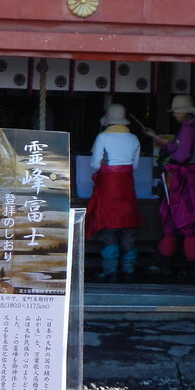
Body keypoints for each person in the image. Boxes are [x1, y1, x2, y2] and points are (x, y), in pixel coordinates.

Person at [147, 95, 195, 281]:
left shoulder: (187, 130)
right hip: (184, 180)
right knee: (175, 222)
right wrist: (164, 142)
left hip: (181, 182)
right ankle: (167, 264)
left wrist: (164, 143)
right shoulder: (191, 127)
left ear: (183, 112)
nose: (174, 115)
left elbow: (180, 157)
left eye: (176, 111)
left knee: (182, 223)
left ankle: (187, 267)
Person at [85, 103, 143, 281]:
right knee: (127, 227)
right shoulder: (134, 139)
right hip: (126, 187)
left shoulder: (103, 137)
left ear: (108, 121)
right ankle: (129, 270)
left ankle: (111, 272)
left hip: (109, 187)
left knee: (109, 228)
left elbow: (95, 165)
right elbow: (135, 166)